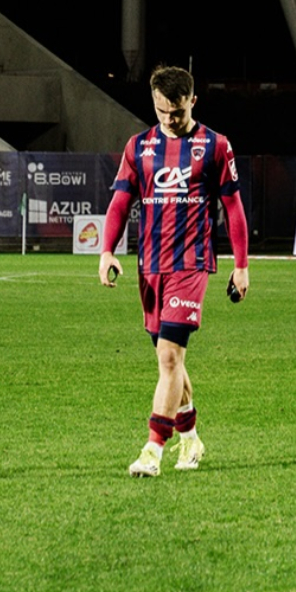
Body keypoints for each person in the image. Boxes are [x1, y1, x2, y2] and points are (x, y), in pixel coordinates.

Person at [97, 64, 250, 477]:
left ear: (192, 102)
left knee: (169, 356)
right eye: (162, 110)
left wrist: (241, 266)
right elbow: (119, 203)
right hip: (150, 267)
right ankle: (191, 438)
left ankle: (152, 449)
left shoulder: (216, 146)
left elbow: (233, 207)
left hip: (191, 264)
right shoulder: (138, 147)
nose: (169, 119)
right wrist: (107, 251)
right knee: (172, 363)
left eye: (177, 111)